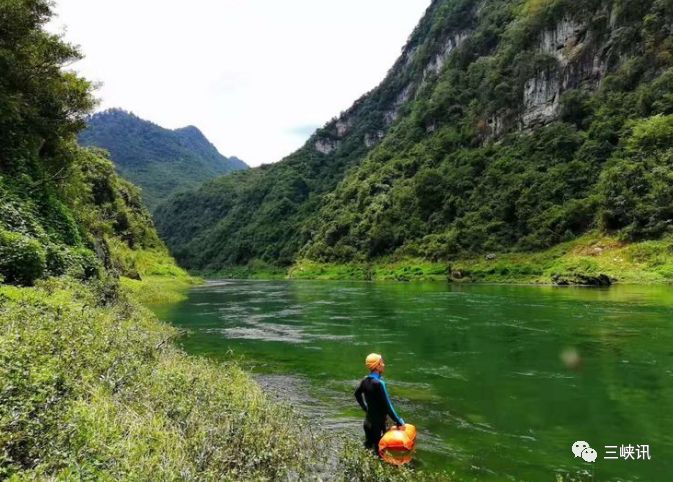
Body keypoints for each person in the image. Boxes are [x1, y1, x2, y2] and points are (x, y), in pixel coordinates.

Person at [354, 353, 405, 454]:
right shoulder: (380, 383)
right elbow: (388, 406)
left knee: (368, 450)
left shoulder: (365, 380)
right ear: (377, 366)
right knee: (380, 454)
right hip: (378, 426)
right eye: (382, 362)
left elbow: (357, 394)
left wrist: (365, 408)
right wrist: (399, 422)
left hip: (367, 423)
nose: (384, 364)